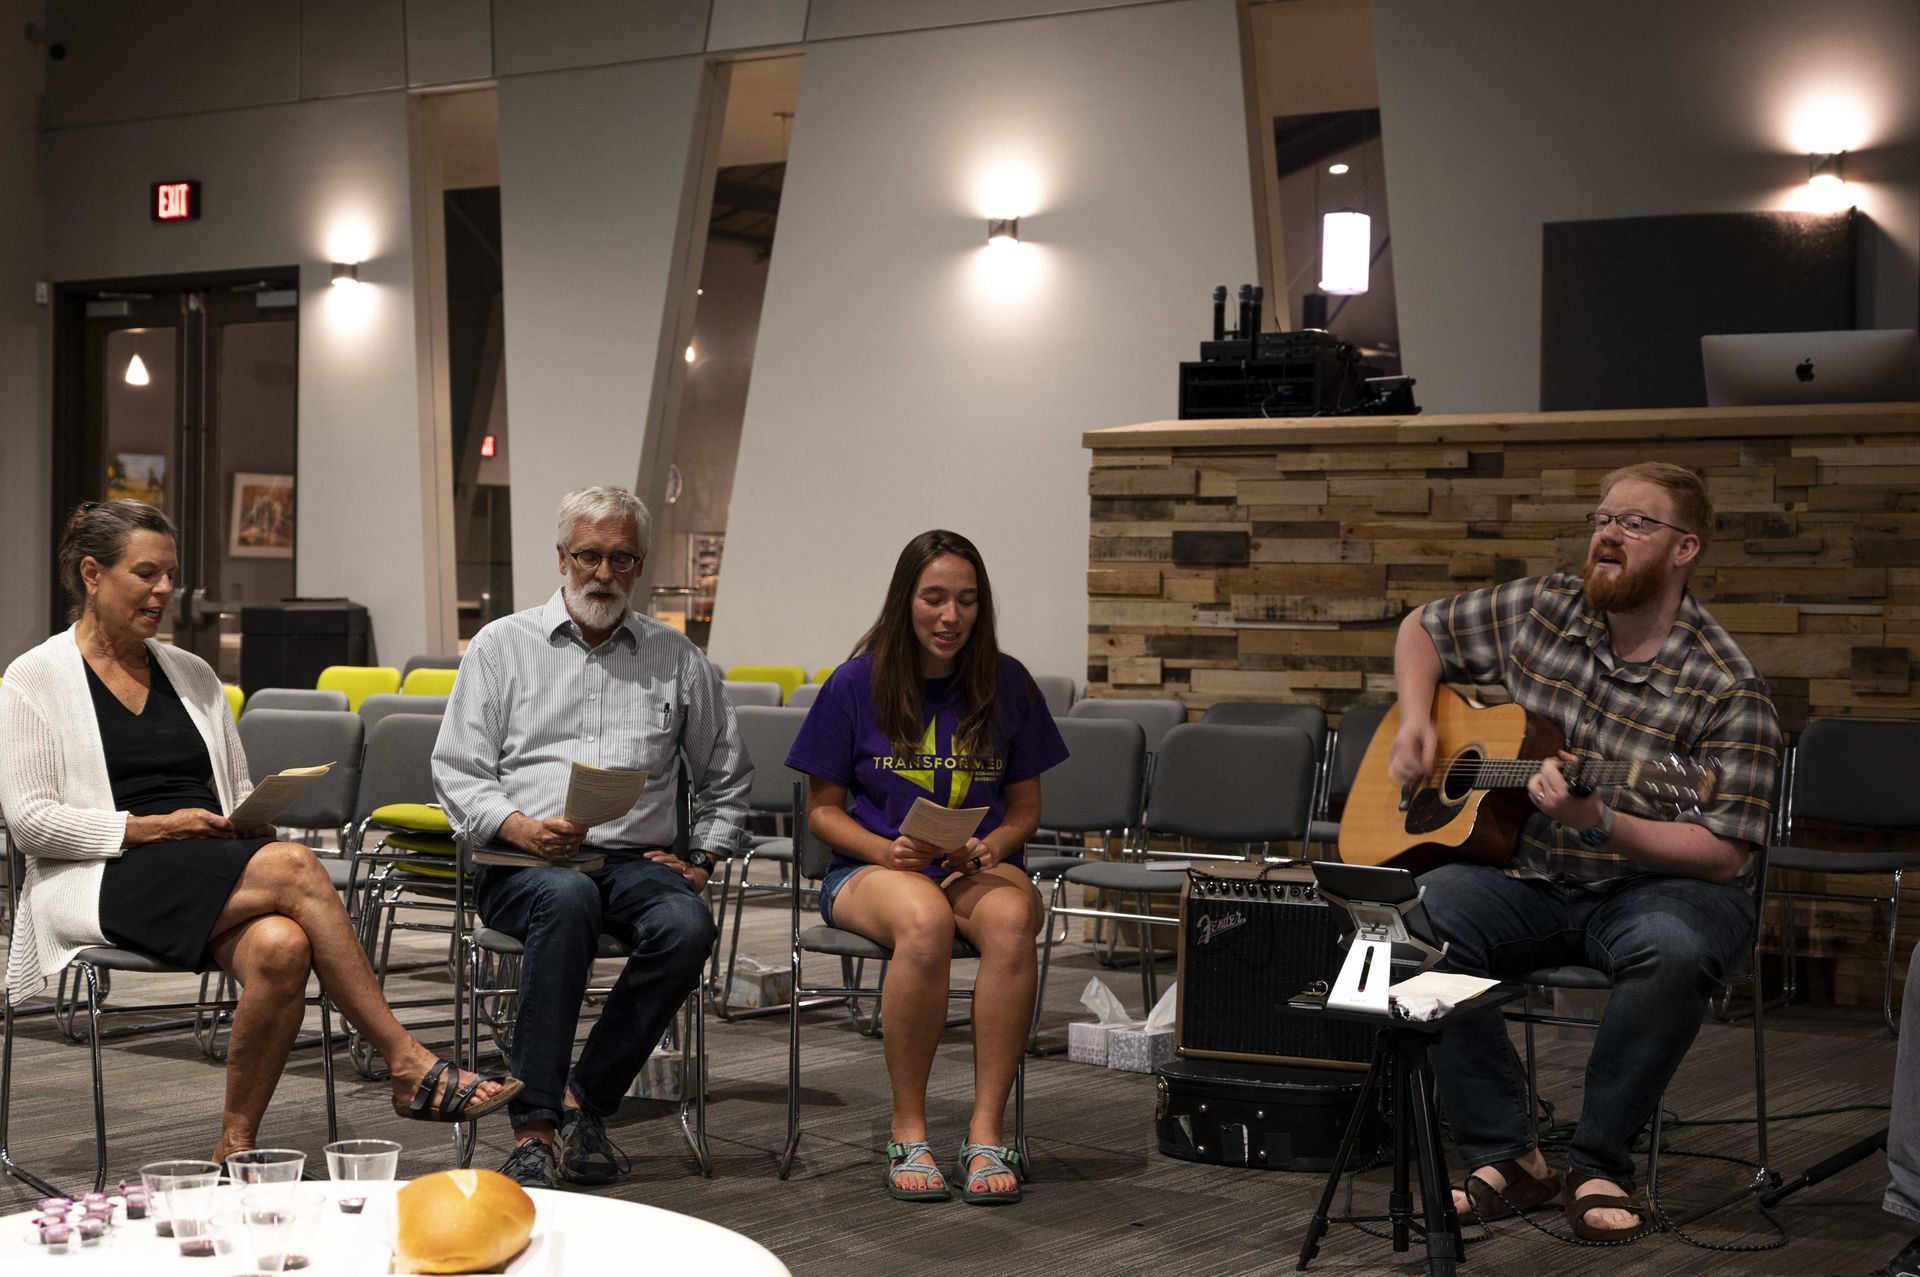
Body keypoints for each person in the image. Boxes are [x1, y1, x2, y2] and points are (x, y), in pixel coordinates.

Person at [0, 500, 519, 1163]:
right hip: (102, 873)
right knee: (297, 865)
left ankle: (233, 1148)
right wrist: (156, 827)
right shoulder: (35, 678)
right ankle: (407, 1060)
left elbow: (233, 791)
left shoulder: (191, 673)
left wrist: (251, 815)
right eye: (146, 572)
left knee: (279, 946)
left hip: (205, 864)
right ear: (92, 574)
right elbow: (32, 823)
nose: (165, 589)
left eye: (170, 574)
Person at [1384, 463, 1782, 1241]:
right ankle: (1509, 1155)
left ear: (1684, 549)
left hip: (1660, 884)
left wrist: (1602, 820)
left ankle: (1599, 1160)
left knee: (1672, 947)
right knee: (1408, 921)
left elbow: (1725, 853)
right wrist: (1414, 722)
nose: (1608, 532)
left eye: (1636, 523)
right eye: (1604, 517)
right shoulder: (1543, 606)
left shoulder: (1727, 687)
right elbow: (1420, 629)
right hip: (1530, 874)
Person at [433, 485, 749, 1190]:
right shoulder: (500, 646)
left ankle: (582, 1097)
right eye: (589, 556)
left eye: (621, 558)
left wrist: (701, 856)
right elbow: (456, 770)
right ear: (561, 557)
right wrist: (518, 825)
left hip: (636, 862)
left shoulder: (677, 657)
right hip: (522, 863)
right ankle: (535, 1130)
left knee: (686, 923)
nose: (603, 573)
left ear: (638, 565)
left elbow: (727, 773)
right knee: (569, 895)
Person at [786, 529, 1069, 1205]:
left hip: (971, 863)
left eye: (966, 601)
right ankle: (908, 1127)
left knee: (1010, 915)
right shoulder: (856, 682)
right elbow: (821, 812)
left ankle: (985, 1132)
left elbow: (1026, 807)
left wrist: (994, 844)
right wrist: (885, 850)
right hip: (874, 868)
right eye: (934, 598)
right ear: (904, 600)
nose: (950, 616)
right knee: (924, 916)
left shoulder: (1007, 681)